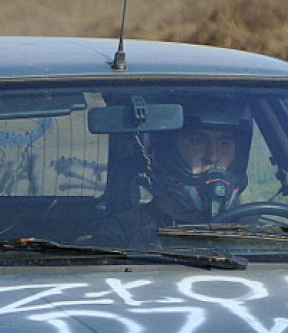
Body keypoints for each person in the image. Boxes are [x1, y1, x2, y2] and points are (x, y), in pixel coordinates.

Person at [86, 98, 252, 247]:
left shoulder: (257, 231)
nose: (213, 157)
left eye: (224, 142)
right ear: (167, 154)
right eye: (198, 141)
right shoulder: (122, 234)